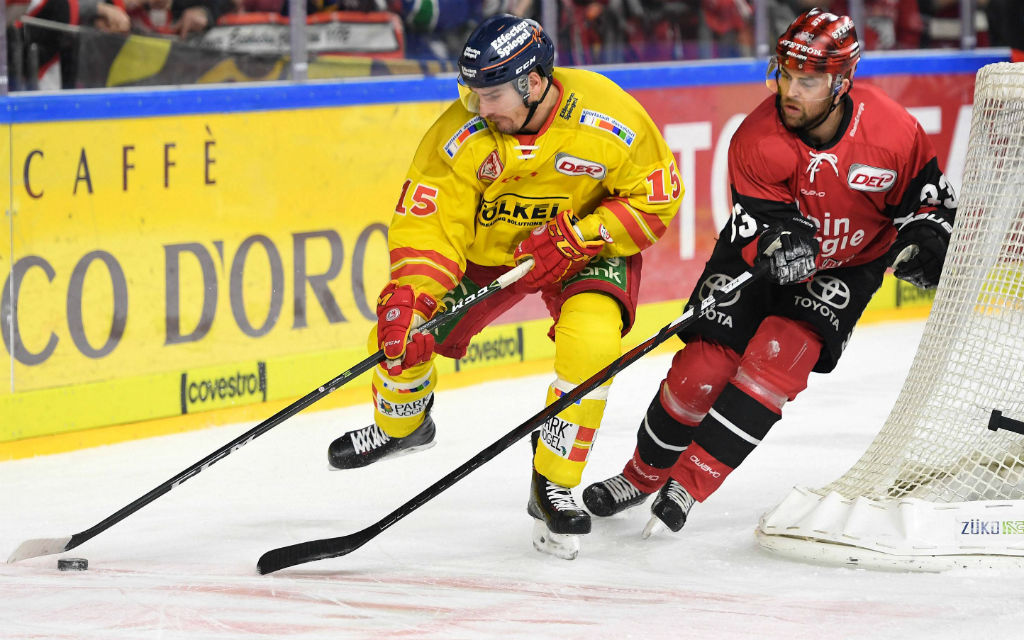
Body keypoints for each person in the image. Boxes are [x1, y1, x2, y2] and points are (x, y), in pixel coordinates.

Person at [583, 8, 957, 537]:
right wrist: (782, 241)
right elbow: (764, 224)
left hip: (849, 266)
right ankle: (641, 475)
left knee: (777, 361)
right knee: (701, 372)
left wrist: (927, 239)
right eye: (784, 75)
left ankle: (688, 486)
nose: (790, 90)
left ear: (841, 82)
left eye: (807, 80)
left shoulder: (894, 132)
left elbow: (932, 205)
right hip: (752, 261)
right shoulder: (756, 139)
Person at [326, 14, 683, 559]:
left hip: (580, 248)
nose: (478, 108)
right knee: (398, 335)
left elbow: (655, 200)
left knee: (592, 344)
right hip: (489, 255)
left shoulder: (609, 116)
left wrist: (577, 237)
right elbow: (430, 226)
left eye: (490, 95)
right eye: (471, 93)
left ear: (533, 83)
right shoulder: (459, 137)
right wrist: (411, 296)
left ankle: (553, 482)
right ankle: (403, 425)